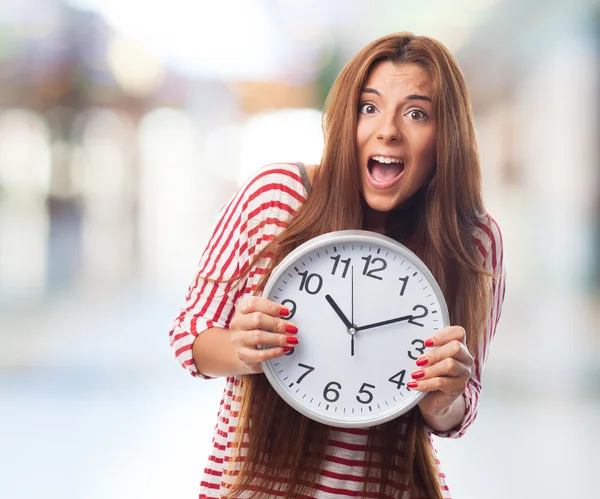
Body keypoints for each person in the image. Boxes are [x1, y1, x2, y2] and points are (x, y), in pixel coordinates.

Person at [169, 32, 506, 499]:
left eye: (416, 113)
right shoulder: (276, 196)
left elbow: (458, 409)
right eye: (369, 107)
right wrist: (241, 349)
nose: (388, 130)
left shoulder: (473, 241)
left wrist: (442, 396)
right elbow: (190, 333)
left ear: (446, 134)